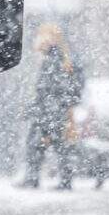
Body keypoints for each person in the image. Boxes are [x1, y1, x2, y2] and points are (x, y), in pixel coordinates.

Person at [22, 25, 84, 190]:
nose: (41, 40)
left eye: (45, 36)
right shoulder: (54, 58)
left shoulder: (59, 59)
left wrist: (55, 104)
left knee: (54, 145)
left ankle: (54, 179)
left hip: (54, 111)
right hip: (50, 110)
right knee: (43, 144)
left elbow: (54, 87)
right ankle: (38, 177)